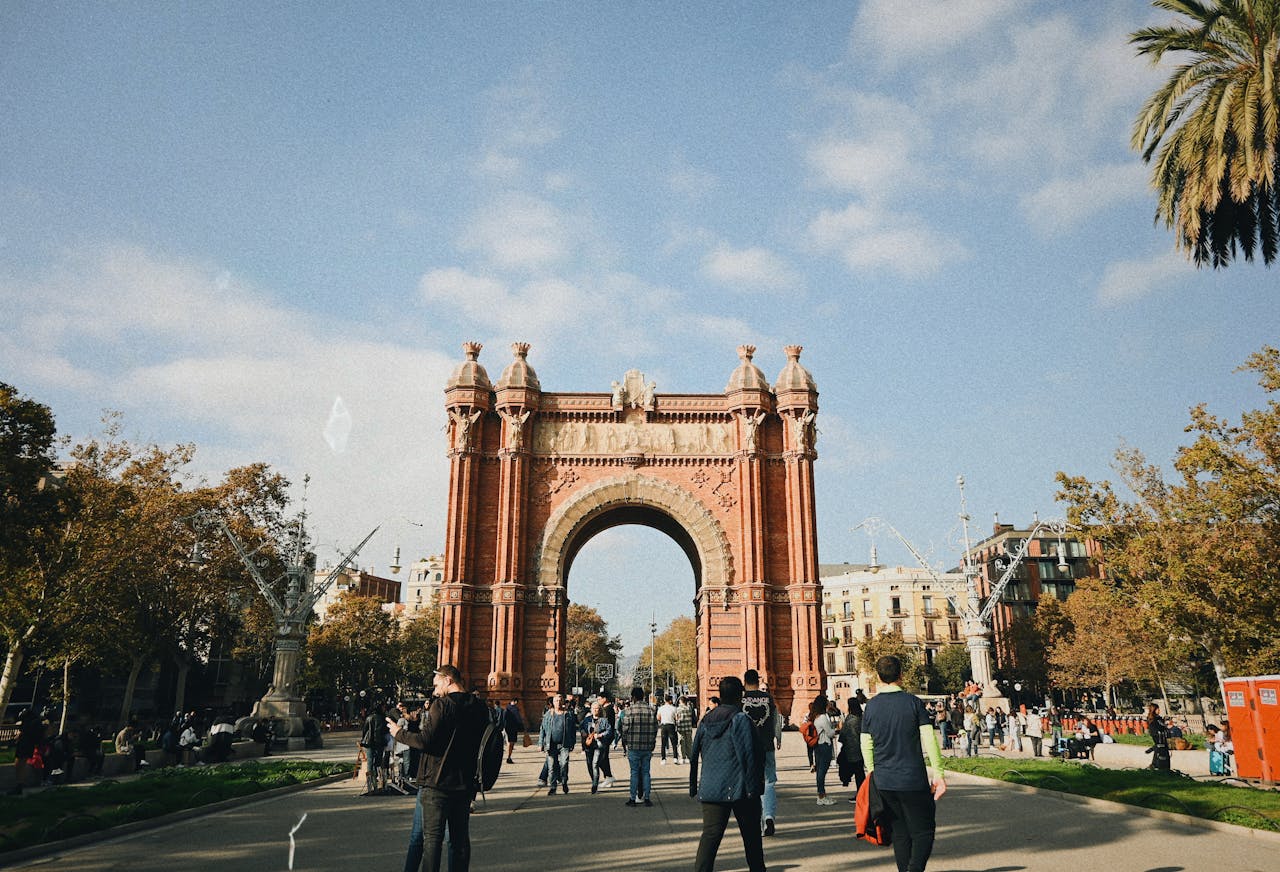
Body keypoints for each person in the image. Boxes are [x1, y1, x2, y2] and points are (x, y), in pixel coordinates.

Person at [389, 665, 489, 872]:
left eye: (436, 684)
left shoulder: (442, 705)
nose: (435, 690)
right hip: (463, 783)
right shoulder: (480, 707)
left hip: (436, 783)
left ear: (448, 680)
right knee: (459, 841)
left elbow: (426, 741)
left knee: (432, 840)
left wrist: (399, 733)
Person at [862, 656, 947, 872]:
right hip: (912, 779)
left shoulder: (870, 707)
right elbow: (929, 739)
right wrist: (938, 773)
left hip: (884, 781)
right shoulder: (913, 702)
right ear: (901, 675)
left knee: (899, 834)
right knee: (924, 832)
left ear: (879, 677)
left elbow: (866, 743)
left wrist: (873, 771)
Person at [689, 676, 766, 872]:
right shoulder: (741, 720)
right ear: (740, 695)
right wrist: (755, 788)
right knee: (751, 838)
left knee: (710, 836)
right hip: (741, 788)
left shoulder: (705, 720)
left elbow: (693, 754)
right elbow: (750, 755)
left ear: (720, 695)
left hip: (711, 788)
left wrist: (694, 786)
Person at [741, 669, 781, 836]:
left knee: (749, 783)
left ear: (745, 682)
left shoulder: (741, 699)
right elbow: (776, 720)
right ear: (758, 681)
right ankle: (769, 816)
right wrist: (778, 738)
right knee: (769, 781)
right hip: (766, 746)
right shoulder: (768, 698)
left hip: (747, 746)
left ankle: (755, 821)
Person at [619, 685, 658, 807]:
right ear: (643, 697)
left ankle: (632, 798)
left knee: (634, 772)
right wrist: (652, 743)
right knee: (646, 772)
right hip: (647, 746)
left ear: (633, 697)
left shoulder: (629, 711)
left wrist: (626, 743)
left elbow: (624, 729)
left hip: (634, 746)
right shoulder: (651, 711)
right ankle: (647, 798)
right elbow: (655, 729)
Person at [538, 693, 578, 795]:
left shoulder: (568, 714)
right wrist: (540, 743)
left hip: (564, 744)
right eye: (556, 701)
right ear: (553, 702)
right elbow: (542, 729)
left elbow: (573, 729)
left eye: (560, 700)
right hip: (551, 745)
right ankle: (553, 787)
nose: (558, 702)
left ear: (563, 702)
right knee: (551, 767)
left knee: (564, 764)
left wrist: (573, 742)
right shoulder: (548, 714)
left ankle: (564, 782)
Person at [580, 699, 612, 793]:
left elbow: (609, 731)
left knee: (595, 764)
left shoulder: (604, 720)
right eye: (593, 708)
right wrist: (583, 732)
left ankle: (595, 786)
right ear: (591, 709)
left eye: (597, 708)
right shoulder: (587, 719)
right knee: (589, 764)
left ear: (600, 709)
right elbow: (581, 727)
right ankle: (594, 781)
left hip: (599, 745)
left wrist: (600, 735)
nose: (595, 710)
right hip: (588, 745)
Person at [837, 697, 865, 795]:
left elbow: (843, 735)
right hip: (861, 748)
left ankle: (860, 794)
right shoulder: (862, 717)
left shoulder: (850, 719)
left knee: (855, 772)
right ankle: (861, 793)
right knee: (859, 773)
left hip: (851, 749)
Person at [658, 695, 681, 764]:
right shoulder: (674, 708)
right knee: (674, 743)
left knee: (663, 743)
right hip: (671, 725)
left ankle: (663, 759)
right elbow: (677, 718)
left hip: (663, 725)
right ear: (670, 700)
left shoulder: (661, 708)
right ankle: (675, 758)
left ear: (665, 700)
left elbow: (658, 717)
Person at [502, 699, 524, 765]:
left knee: (510, 743)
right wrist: (522, 727)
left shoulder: (506, 709)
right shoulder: (515, 709)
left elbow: (503, 719)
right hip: (513, 728)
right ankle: (509, 757)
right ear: (515, 702)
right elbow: (519, 719)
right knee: (511, 743)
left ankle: (509, 757)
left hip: (508, 728)